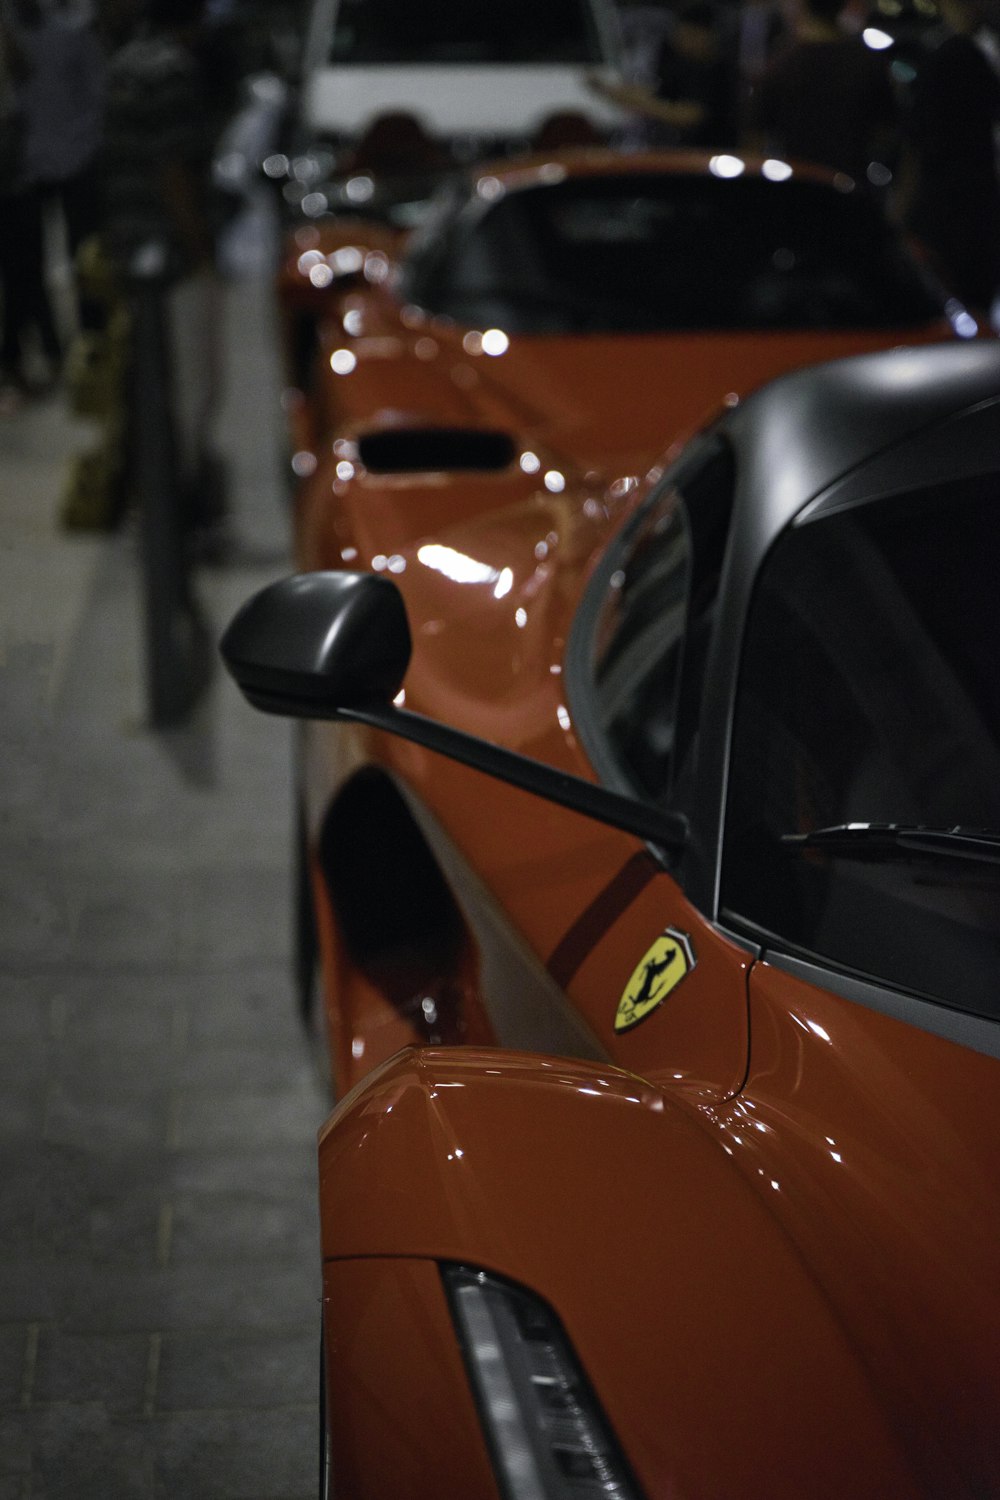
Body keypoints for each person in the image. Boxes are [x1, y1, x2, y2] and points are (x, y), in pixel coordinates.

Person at [901, 0, 1000, 316]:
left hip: (947, 212)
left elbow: (917, 147)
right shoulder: (977, 58)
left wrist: (900, 213)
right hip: (979, 209)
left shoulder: (946, 59)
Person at [749, 0, 898, 185]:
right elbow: (889, 131)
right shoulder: (868, 63)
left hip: (797, 186)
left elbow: (756, 136)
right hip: (852, 187)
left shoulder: (783, 65)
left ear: (802, 7)